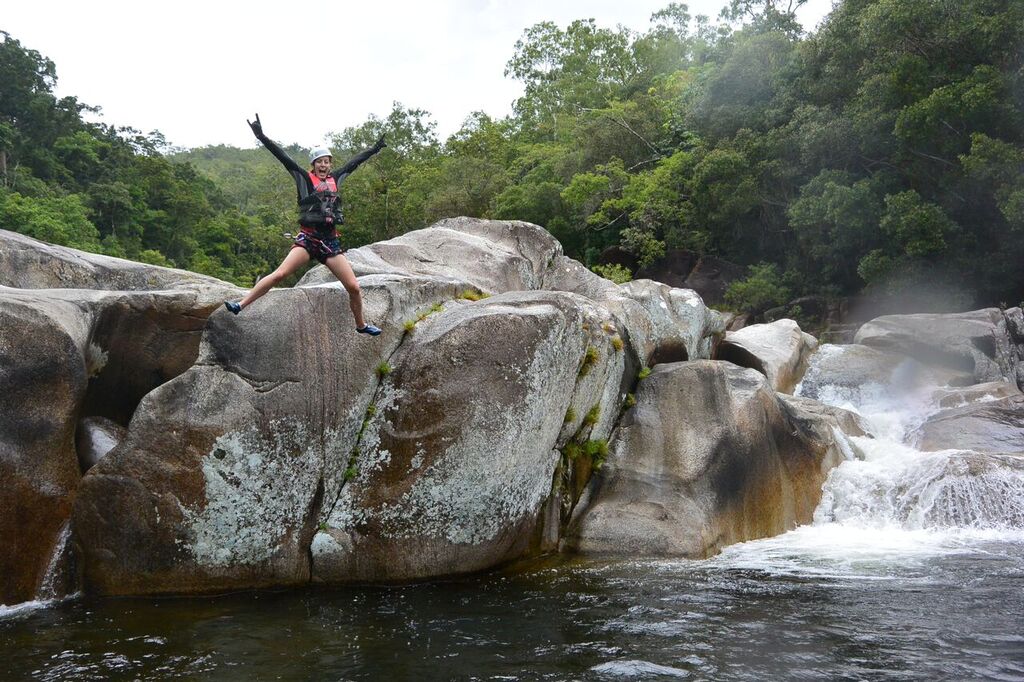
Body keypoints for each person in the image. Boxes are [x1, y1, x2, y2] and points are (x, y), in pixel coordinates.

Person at [224, 113, 386, 336]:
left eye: (327, 161)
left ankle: (361, 325)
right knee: (280, 274)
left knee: (354, 287)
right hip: (308, 239)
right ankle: (240, 304)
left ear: (330, 164)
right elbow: (283, 157)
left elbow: (355, 163)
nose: (324, 165)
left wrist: (375, 149)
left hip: (330, 243)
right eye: (320, 161)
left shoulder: (336, 178)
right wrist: (261, 136)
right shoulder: (303, 178)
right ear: (313, 164)